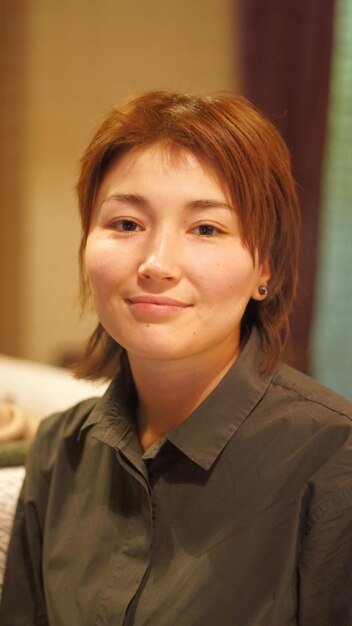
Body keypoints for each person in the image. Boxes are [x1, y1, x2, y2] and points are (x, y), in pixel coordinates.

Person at [0, 91, 351, 626]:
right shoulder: (59, 452)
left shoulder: (333, 462)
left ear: (268, 269)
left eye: (206, 228)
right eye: (126, 224)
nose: (157, 263)